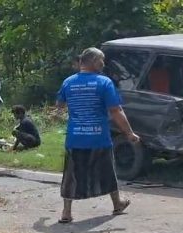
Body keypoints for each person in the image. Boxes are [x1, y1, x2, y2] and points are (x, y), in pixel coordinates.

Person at [55, 47, 137, 224]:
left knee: (71, 175)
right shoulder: (104, 82)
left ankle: (66, 212)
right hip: (98, 137)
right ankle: (117, 203)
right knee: (107, 171)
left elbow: (59, 106)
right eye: (102, 60)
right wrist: (129, 133)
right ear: (92, 61)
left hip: (75, 138)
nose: (103, 63)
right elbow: (116, 111)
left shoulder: (68, 82)